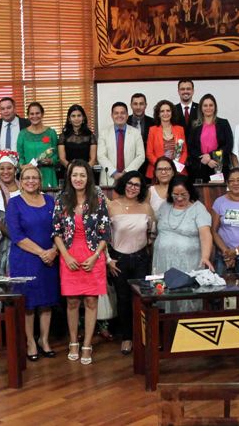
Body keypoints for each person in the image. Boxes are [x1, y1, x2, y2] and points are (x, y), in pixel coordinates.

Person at [52, 160, 110, 365]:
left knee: (92, 301)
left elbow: (105, 233)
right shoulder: (61, 199)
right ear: (69, 177)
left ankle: (87, 344)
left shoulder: (98, 198)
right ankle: (73, 342)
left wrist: (95, 257)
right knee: (72, 301)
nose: (78, 179)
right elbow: (56, 232)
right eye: (74, 175)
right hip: (69, 254)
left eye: (82, 175)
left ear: (88, 178)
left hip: (93, 255)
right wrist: (66, 256)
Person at [6, 165, 59, 360]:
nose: (31, 181)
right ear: (20, 181)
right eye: (27, 178)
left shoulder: (50, 201)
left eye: (35, 178)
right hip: (25, 259)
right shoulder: (14, 203)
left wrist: (53, 251)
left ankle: (44, 340)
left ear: (40, 181)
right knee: (28, 303)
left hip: (50, 259)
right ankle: (30, 341)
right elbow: (17, 235)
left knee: (46, 302)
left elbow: (59, 229)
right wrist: (42, 252)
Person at [107, 171, 156, 354]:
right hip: (118, 259)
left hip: (141, 258)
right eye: (129, 183)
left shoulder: (146, 207)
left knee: (142, 299)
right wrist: (108, 259)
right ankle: (127, 337)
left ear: (141, 188)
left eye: (137, 185)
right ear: (123, 184)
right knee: (123, 299)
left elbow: (153, 232)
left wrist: (148, 244)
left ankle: (142, 335)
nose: (132, 187)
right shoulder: (111, 206)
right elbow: (103, 236)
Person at [186, 94, 234, 183]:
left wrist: (211, 156)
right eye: (205, 105)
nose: (208, 108)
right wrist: (206, 160)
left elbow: (228, 145)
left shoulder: (223, 123)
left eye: (211, 105)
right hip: (200, 167)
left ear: (215, 107)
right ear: (201, 108)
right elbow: (190, 147)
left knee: (219, 194)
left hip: (219, 166)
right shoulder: (195, 125)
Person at [98, 102, 145, 187]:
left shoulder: (136, 133)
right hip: (109, 179)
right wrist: (114, 173)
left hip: (130, 179)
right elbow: (101, 156)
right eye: (116, 113)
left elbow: (141, 156)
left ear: (127, 115)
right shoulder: (103, 133)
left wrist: (126, 173)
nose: (119, 115)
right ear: (112, 116)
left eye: (122, 113)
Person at [18, 102, 60, 188]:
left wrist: (51, 161)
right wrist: (23, 166)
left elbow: (57, 156)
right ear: (28, 116)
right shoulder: (22, 134)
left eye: (37, 113)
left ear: (42, 114)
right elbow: (20, 157)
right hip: (29, 177)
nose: (34, 116)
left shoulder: (51, 133)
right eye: (32, 114)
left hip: (48, 174)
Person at [146, 100, 187, 179]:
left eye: (168, 111)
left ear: (172, 113)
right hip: (157, 172)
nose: (165, 113)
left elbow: (184, 151)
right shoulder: (152, 130)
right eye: (162, 111)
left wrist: (177, 167)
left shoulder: (180, 129)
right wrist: (162, 167)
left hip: (177, 172)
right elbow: (149, 153)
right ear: (158, 114)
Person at [57, 104, 97, 174]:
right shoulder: (63, 136)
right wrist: (73, 170)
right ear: (69, 119)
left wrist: (83, 171)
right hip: (68, 172)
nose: (76, 118)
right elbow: (62, 159)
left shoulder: (90, 136)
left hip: (86, 173)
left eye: (79, 115)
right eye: (73, 116)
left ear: (83, 118)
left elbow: (93, 159)